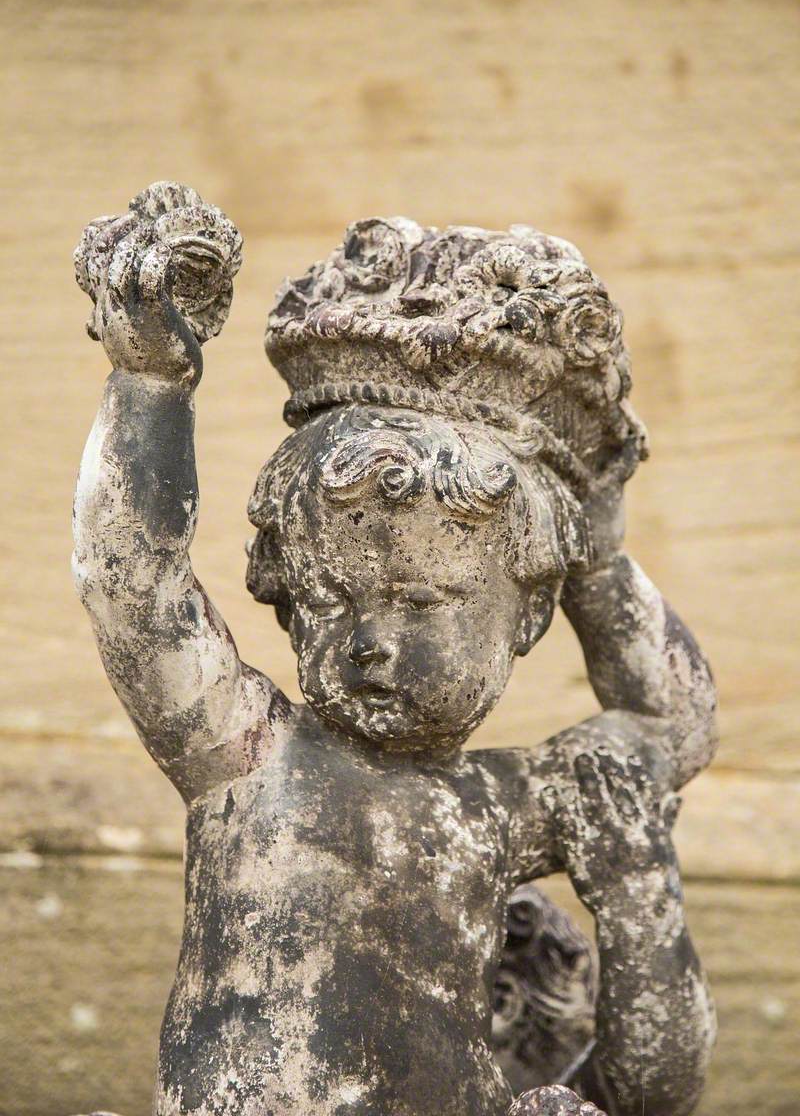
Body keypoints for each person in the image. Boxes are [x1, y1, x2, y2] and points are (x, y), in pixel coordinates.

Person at [73, 183, 717, 1116]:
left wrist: (598, 559)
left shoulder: (497, 810)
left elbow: (675, 728)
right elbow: (131, 579)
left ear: (526, 616)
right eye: (332, 599)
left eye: (424, 602)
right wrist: (148, 384)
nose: (373, 640)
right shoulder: (249, 756)